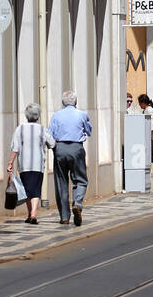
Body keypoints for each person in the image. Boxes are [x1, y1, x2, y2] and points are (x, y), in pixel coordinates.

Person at [48, 90, 92, 226]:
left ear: (62, 102)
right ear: (76, 101)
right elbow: (89, 131)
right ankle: (77, 203)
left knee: (61, 182)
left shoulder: (56, 116)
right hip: (76, 148)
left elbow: (50, 134)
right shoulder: (82, 115)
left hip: (60, 148)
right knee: (80, 179)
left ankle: (65, 217)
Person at [7, 104, 55, 225]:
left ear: (26, 115)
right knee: (36, 189)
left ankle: (30, 214)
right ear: (38, 116)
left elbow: (15, 148)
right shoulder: (42, 129)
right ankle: (33, 213)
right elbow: (52, 143)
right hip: (38, 165)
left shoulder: (20, 128)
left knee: (27, 190)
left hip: (24, 165)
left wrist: (10, 163)